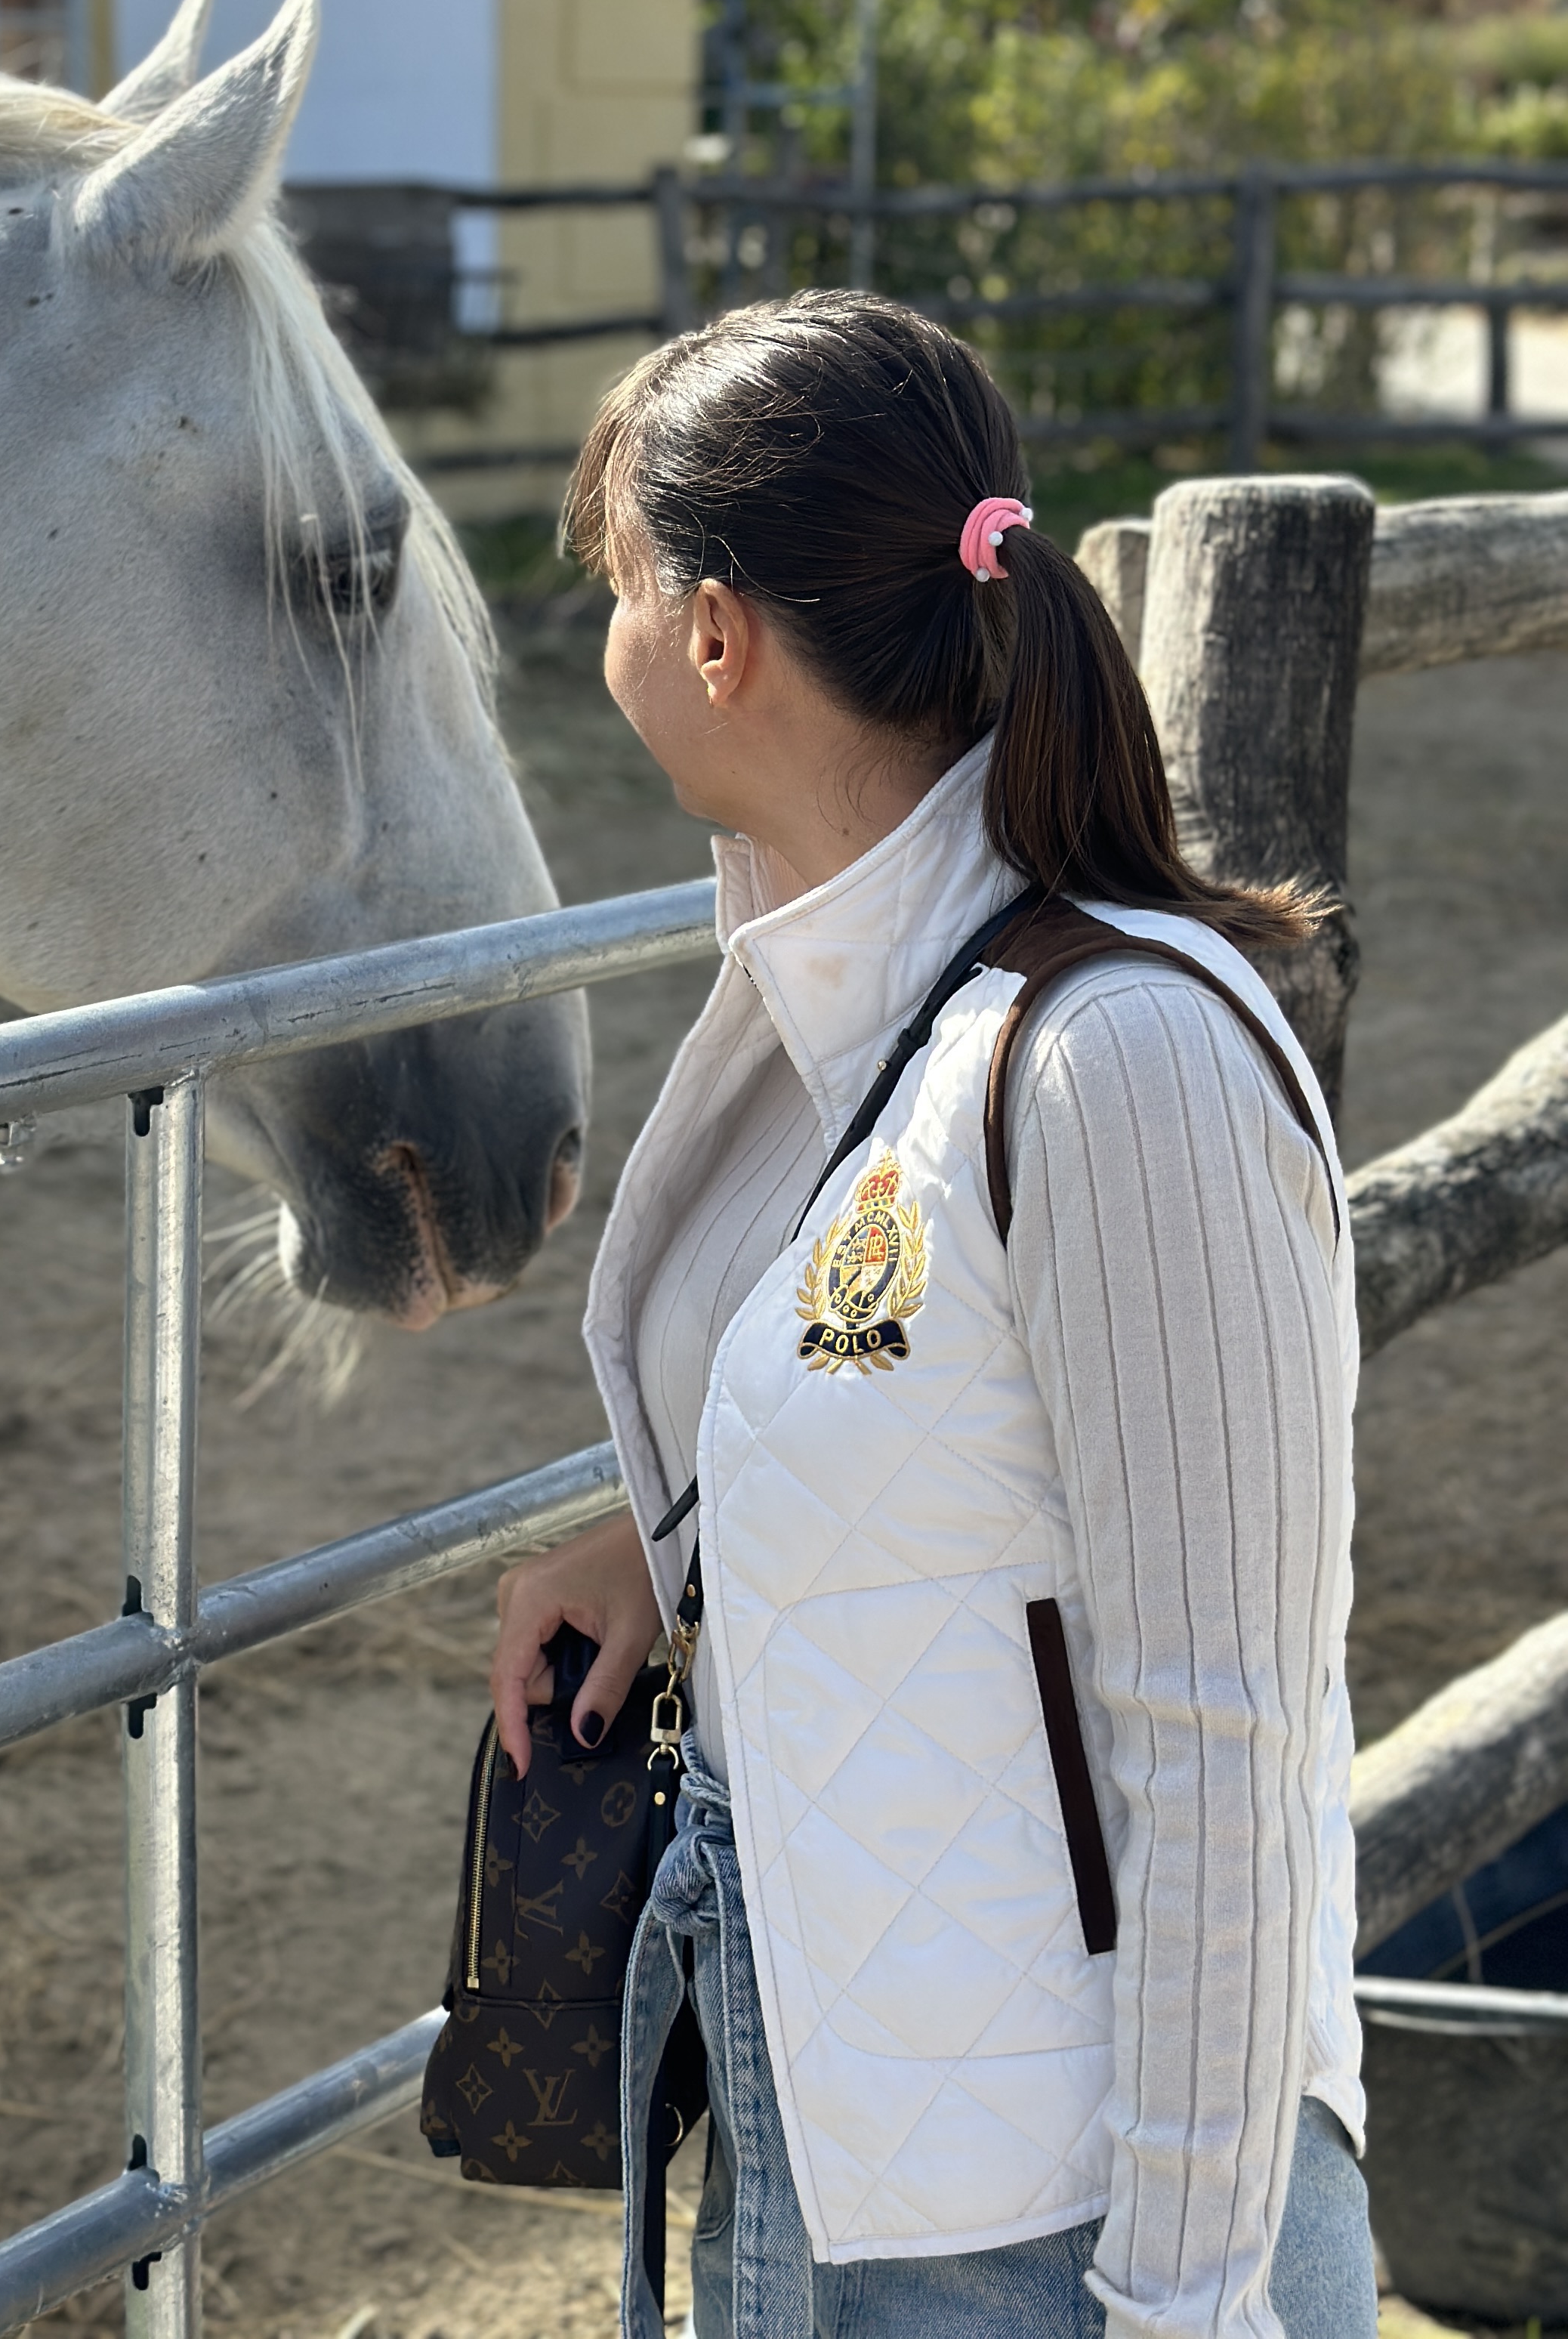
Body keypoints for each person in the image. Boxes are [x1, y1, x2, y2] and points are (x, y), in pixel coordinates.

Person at [488, 298, 1373, 2339]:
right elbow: (971, 1436)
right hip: (848, 2164)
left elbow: (1220, 1734)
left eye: (616, 590)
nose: (606, 643)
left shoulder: (1117, 1059)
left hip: (1062, 2234)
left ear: (716, 638)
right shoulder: (896, 1008)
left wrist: (1182, 2299)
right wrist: (689, 1553)